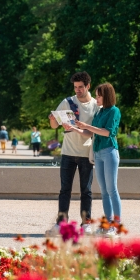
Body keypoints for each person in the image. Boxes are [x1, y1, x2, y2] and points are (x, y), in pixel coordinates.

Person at [47, 71, 98, 234]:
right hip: (68, 152)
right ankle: (61, 224)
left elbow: (94, 131)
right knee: (65, 189)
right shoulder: (67, 102)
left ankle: (86, 224)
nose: (77, 90)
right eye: (75, 87)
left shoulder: (96, 105)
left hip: (86, 152)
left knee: (86, 190)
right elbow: (54, 126)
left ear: (88, 86)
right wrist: (53, 120)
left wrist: (80, 127)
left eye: (81, 87)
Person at [75, 83, 122, 236]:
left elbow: (108, 132)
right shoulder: (99, 112)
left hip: (109, 151)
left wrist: (87, 126)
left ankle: (116, 225)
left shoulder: (114, 111)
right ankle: (107, 225)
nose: (96, 98)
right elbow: (91, 133)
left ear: (107, 96)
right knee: (104, 191)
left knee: (112, 189)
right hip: (98, 153)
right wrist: (76, 128)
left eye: (99, 95)